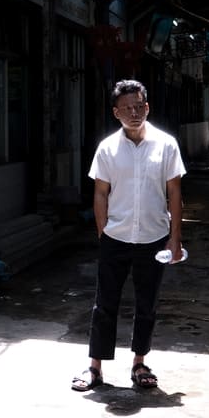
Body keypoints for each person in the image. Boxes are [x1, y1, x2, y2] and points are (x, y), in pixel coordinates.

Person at [71, 79, 185, 392]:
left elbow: (175, 192)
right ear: (116, 112)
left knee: (147, 303)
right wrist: (103, 232)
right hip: (116, 237)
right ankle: (95, 367)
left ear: (147, 107)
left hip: (154, 237)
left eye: (138, 107)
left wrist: (175, 238)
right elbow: (100, 193)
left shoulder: (166, 145)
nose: (133, 113)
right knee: (105, 303)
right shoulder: (107, 148)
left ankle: (139, 363)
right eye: (126, 108)